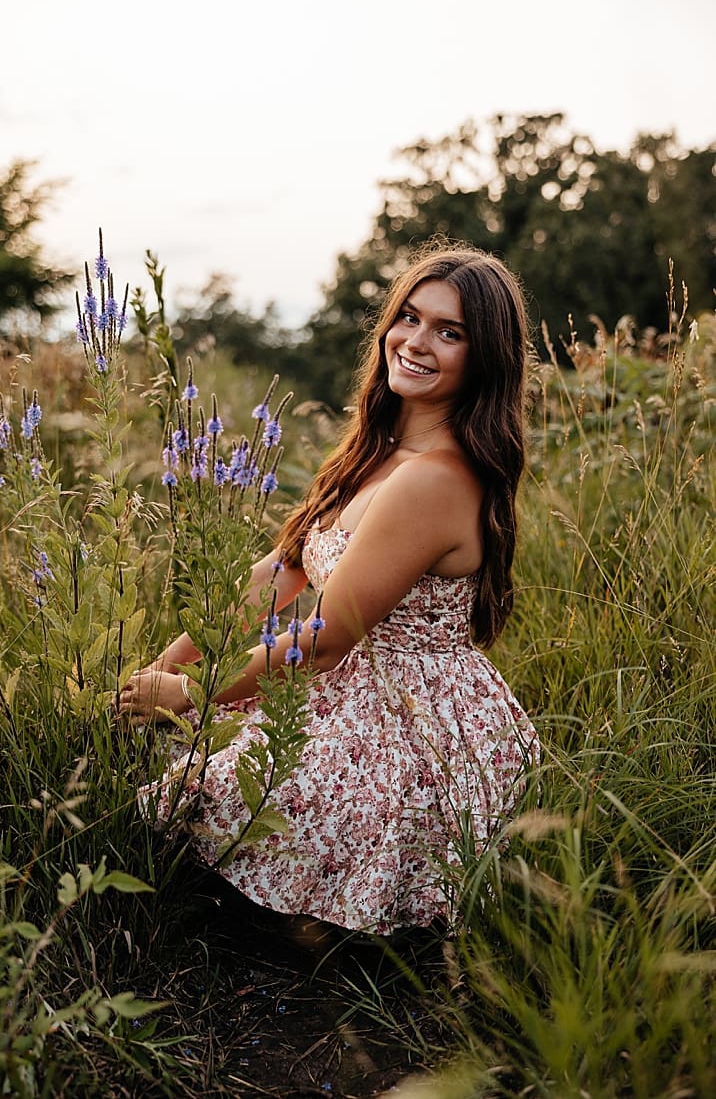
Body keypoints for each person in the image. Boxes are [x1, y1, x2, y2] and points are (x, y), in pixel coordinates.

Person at [118, 243, 540, 935]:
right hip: (347, 681)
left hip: (410, 718)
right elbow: (283, 571)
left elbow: (326, 637)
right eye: (409, 316)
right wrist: (169, 666)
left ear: (484, 356)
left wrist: (192, 693)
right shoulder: (380, 448)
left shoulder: (436, 477)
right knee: (175, 753)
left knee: (209, 791)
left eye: (450, 331)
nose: (416, 341)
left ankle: (323, 934)